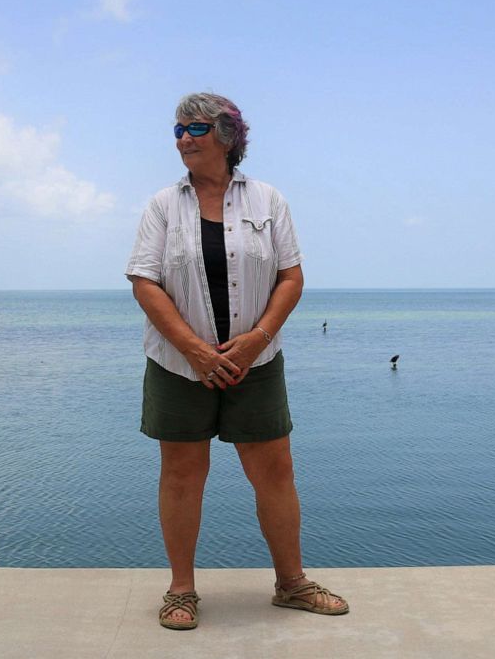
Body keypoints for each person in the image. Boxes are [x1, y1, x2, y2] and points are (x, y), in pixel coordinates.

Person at [125, 92, 348, 630]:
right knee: (181, 474)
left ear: (228, 135)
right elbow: (144, 282)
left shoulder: (268, 200)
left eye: (195, 129)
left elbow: (291, 277)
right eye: (176, 129)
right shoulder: (162, 205)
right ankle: (181, 591)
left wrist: (256, 339)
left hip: (258, 360)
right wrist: (196, 350)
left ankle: (291, 583)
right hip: (179, 364)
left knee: (275, 471)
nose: (182, 139)